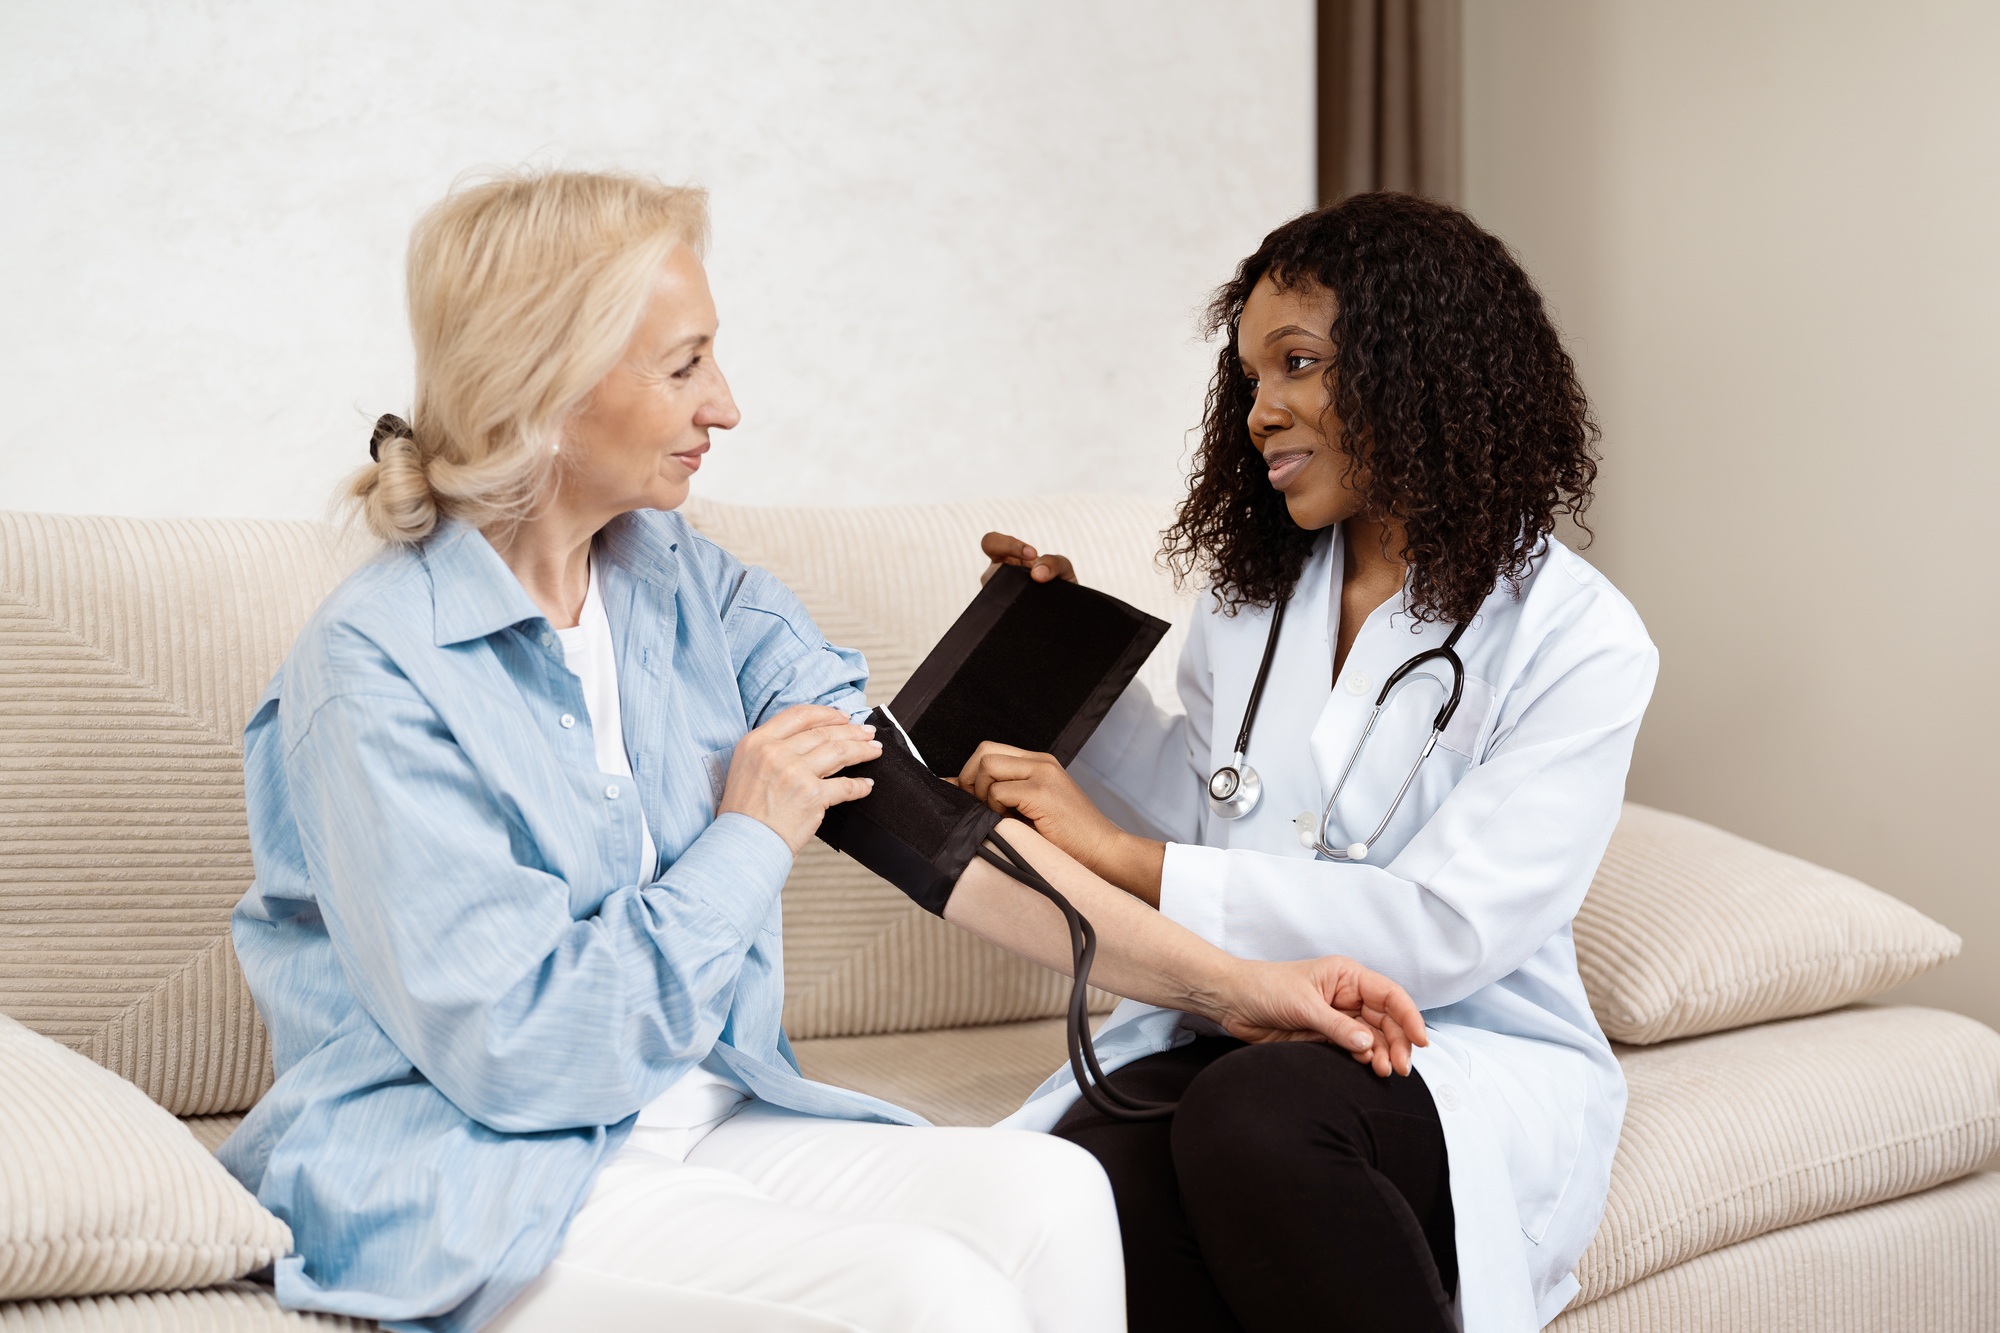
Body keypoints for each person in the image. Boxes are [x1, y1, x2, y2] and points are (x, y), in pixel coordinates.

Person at [220, 169, 1426, 1333]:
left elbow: (924, 828)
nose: (725, 403)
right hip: (482, 1178)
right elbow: (523, 1057)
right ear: (551, 380)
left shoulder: (685, 584)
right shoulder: (376, 668)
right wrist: (746, 840)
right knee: (930, 1300)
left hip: (709, 1119)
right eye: (685, 362)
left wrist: (1244, 987)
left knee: (1061, 1197)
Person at [959, 193, 1658, 1333]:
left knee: (1256, 1117)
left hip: (1449, 1049)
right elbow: (1222, 804)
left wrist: (1127, 861)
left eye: (1297, 364)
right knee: (1095, 1181)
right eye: (1247, 377)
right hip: (1247, 1019)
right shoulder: (1251, 605)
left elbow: (1445, 931)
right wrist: (1062, 661)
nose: (1258, 410)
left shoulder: (1574, 637)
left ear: (1417, 369)